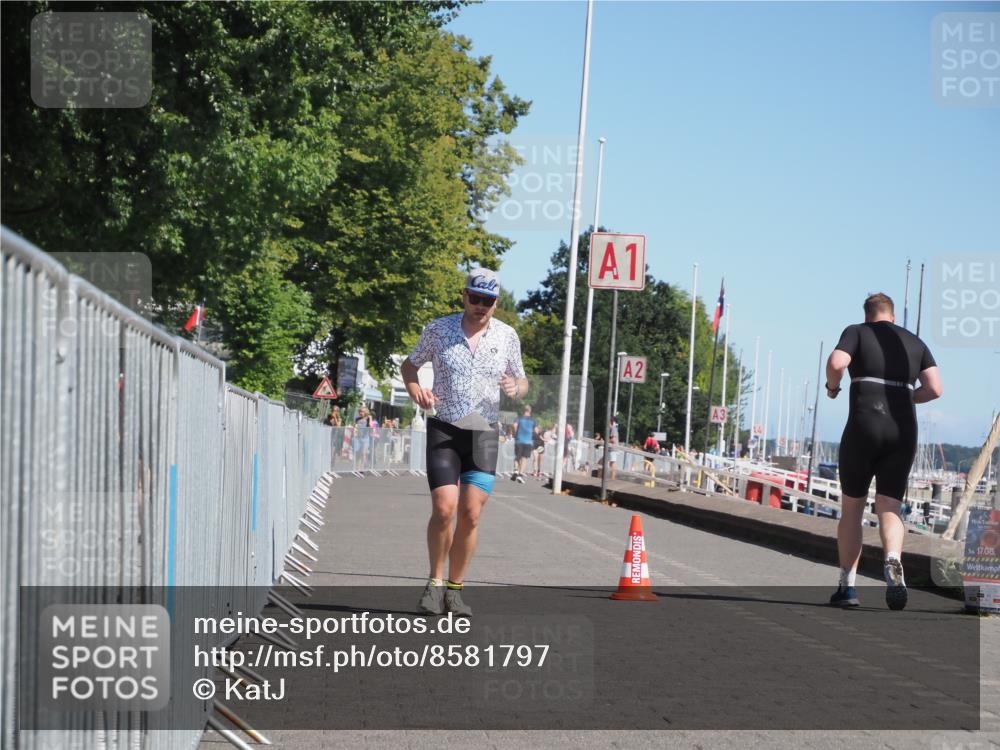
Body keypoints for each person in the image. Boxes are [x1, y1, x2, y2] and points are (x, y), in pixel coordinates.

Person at [401, 268, 528, 617]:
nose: (481, 307)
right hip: (445, 427)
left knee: (470, 514)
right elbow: (409, 367)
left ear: (496, 302)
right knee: (444, 509)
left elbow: (522, 378)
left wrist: (516, 389)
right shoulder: (439, 329)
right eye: (475, 298)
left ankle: (455, 591)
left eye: (488, 301)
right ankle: (434, 584)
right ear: (464, 295)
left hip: (483, 432)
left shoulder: (506, 336)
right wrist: (416, 391)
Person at [826, 292, 942, 610]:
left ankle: (847, 588)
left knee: (852, 508)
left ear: (868, 315)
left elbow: (837, 362)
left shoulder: (857, 332)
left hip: (864, 426)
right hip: (902, 431)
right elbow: (935, 387)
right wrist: (906, 398)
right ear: (892, 316)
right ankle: (892, 561)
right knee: (890, 505)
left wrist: (832, 387)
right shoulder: (915, 342)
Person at [512, 405, 536, 483]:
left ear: (523, 411)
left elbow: (514, 425)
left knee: (517, 456)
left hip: (519, 440)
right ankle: (520, 475)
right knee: (524, 458)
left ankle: (516, 470)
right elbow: (536, 430)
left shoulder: (519, 418)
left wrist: (515, 434)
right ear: (530, 411)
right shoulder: (533, 420)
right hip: (528, 441)